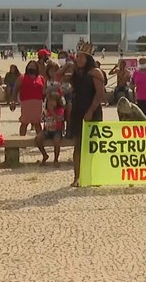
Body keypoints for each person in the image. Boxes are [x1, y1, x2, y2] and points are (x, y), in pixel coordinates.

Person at [68, 45, 104, 187]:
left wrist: (90, 111)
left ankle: (92, 175)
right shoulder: (77, 74)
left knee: (92, 146)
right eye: (77, 56)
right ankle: (77, 177)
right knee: (78, 146)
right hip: (77, 111)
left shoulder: (95, 72)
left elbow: (99, 94)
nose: (79, 59)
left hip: (92, 112)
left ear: (88, 58)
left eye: (82, 56)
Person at [11, 60, 45, 136]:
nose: (31, 67)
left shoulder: (41, 78)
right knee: (24, 123)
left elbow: (45, 91)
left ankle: (39, 140)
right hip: (26, 103)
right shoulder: (22, 77)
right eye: (30, 66)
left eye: (33, 66)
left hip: (38, 103)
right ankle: (22, 141)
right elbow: (15, 89)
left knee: (37, 123)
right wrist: (13, 101)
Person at [35, 93, 65, 165]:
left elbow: (59, 119)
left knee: (57, 142)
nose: (50, 103)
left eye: (52, 101)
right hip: (47, 130)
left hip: (57, 131)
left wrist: (52, 112)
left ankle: (56, 159)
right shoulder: (46, 111)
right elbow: (41, 120)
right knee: (38, 139)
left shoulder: (60, 110)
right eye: (49, 101)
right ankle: (45, 155)